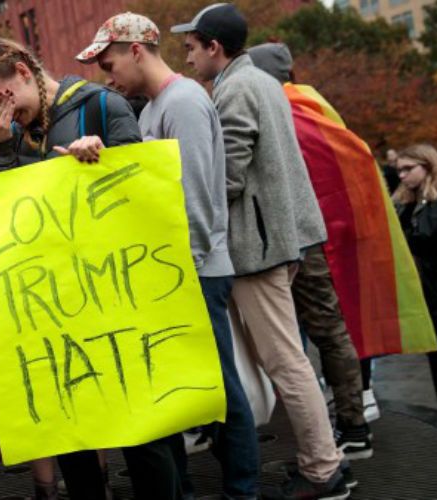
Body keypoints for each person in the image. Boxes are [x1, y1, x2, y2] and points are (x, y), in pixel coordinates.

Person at [0, 37, 183, 500]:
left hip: (120, 305)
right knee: (74, 440)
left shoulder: (102, 106)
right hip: (58, 316)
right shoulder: (11, 136)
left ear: (22, 72)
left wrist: (103, 160)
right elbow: (4, 226)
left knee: (145, 439)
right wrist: (3, 148)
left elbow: (143, 193)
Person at [76, 12, 259, 499]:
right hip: (182, 270)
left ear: (136, 50)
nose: (106, 75)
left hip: (195, 270)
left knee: (221, 391)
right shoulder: (157, 106)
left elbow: (197, 197)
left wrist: (184, 270)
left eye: (109, 62)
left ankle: (243, 490)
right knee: (195, 391)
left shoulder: (181, 102)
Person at [171, 4, 347, 499]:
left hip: (257, 249)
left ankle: (323, 470)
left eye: (190, 48)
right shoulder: (261, 82)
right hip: (272, 242)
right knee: (288, 359)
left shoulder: (236, 89)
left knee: (285, 362)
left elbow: (226, 178)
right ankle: (324, 463)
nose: (186, 60)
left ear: (214, 47)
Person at [248, 42, 373, 462]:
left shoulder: (278, 109)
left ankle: (347, 430)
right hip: (310, 236)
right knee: (324, 331)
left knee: (309, 338)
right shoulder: (311, 107)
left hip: (290, 240)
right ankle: (352, 423)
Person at [393, 144, 437, 407]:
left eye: (408, 169)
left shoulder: (433, 203)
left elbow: (423, 237)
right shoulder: (406, 203)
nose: (402, 175)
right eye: (399, 170)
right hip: (426, 294)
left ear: (428, 166)